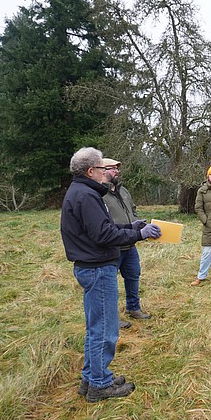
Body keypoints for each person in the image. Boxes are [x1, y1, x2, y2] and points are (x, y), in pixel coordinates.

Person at [60, 147, 161, 402]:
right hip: (97, 268)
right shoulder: (86, 195)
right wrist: (139, 234)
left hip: (92, 266)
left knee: (97, 327)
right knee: (105, 330)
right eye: (103, 168)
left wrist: (130, 226)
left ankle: (91, 377)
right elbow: (103, 235)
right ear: (91, 171)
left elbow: (100, 228)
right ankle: (100, 384)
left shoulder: (83, 192)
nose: (108, 172)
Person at [101, 158, 152, 328]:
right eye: (113, 169)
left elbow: (133, 209)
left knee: (133, 276)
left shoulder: (124, 191)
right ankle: (112, 317)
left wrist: (138, 224)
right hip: (112, 246)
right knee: (109, 284)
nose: (117, 172)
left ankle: (133, 308)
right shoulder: (99, 194)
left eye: (117, 169)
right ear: (102, 170)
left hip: (130, 244)